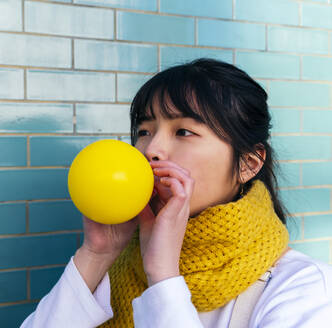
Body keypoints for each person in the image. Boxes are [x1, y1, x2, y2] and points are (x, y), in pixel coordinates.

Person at [20, 59, 332, 327]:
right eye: (144, 132)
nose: (151, 150)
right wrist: (96, 254)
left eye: (184, 132)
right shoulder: (112, 267)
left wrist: (162, 273)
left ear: (248, 164)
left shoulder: (304, 287)